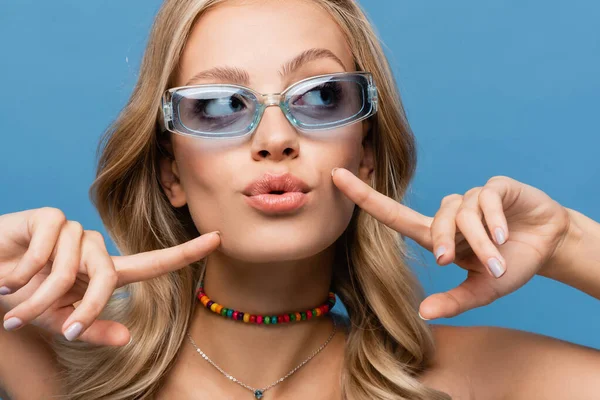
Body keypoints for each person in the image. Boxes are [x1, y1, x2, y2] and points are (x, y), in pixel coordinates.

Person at [0, 0, 599, 399]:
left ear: (366, 150)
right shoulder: (55, 364)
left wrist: (569, 242)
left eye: (321, 97)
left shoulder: (473, 379)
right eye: (215, 106)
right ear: (169, 174)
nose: (276, 138)